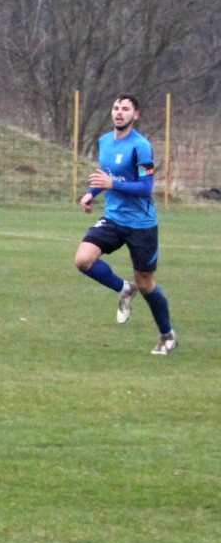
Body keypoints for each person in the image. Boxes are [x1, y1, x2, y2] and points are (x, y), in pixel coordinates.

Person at [74, 94, 176, 354]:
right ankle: (124, 288)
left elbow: (145, 187)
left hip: (141, 224)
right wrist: (91, 193)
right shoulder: (104, 141)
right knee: (83, 260)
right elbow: (106, 177)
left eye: (126, 109)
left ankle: (167, 336)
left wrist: (112, 185)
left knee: (146, 283)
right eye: (116, 108)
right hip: (113, 218)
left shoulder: (141, 147)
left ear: (135, 115)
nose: (119, 112)